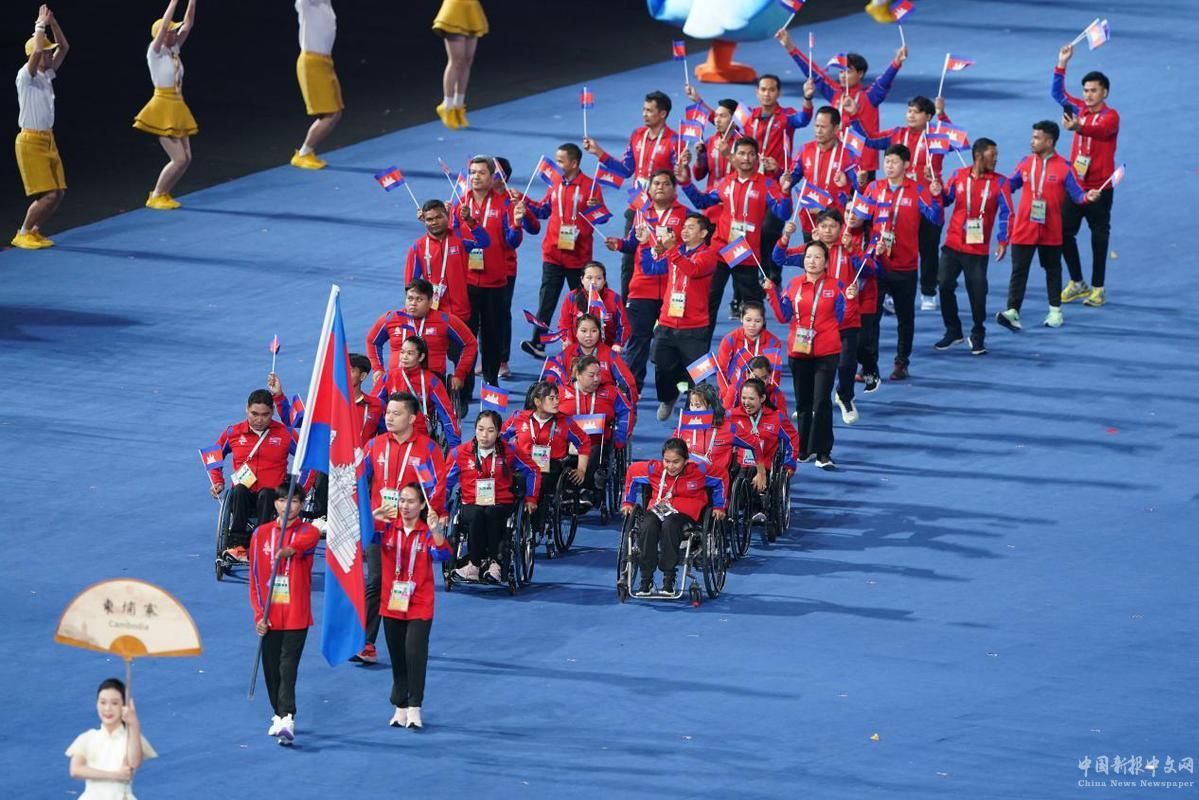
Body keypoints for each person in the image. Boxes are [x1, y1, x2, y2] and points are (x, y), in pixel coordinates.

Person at [356, 392, 448, 664]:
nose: (389, 418)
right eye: (388, 413)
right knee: (376, 580)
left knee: (408, 583)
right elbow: (357, 481)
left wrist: (435, 514)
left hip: (412, 531)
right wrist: (363, 515)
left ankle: (410, 636)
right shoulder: (374, 445)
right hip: (381, 526)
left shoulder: (427, 449)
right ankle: (366, 642)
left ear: (412, 418)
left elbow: (438, 486)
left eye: (397, 413)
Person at [848, 143, 943, 381]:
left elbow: (935, 218)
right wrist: (856, 193)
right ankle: (868, 366)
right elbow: (858, 219)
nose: (889, 166)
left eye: (894, 162)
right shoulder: (874, 188)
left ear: (906, 165)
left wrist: (936, 195)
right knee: (870, 318)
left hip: (905, 265)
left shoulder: (918, 190)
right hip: (876, 264)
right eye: (886, 161)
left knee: (905, 318)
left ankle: (901, 363)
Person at [678, 136, 791, 332]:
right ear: (734, 156)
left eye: (751, 154)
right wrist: (686, 183)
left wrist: (786, 192)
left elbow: (783, 213)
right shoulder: (726, 182)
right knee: (707, 303)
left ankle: (759, 348)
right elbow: (702, 202)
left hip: (746, 253)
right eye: (742, 153)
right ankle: (699, 346)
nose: (746, 158)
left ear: (757, 157)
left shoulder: (767, 185)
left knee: (753, 306)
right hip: (719, 251)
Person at [996, 120, 1099, 332]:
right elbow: (1010, 184)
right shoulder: (1025, 163)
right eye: (1033, 137)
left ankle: (1055, 312)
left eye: (1037, 138)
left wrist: (1088, 197)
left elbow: (1077, 194)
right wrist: (992, 182)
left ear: (1049, 141)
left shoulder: (1065, 167)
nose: (1032, 141)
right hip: (1024, 227)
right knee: (1019, 270)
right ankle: (1013, 311)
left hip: (1051, 228)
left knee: (1052, 270)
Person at [776, 30, 906, 185]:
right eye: (841, 72)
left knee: (862, 200)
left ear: (860, 74)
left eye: (848, 72)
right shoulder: (835, 92)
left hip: (863, 163)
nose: (843, 76)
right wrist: (790, 47)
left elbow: (884, 81)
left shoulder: (870, 95)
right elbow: (815, 73)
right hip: (838, 159)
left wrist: (896, 62)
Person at [765, 240, 853, 468]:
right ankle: (803, 448)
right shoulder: (793, 285)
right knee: (803, 403)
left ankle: (823, 452)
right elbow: (783, 316)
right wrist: (772, 292)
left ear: (826, 262)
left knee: (821, 401)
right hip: (799, 352)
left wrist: (850, 299)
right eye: (808, 257)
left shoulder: (836, 286)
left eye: (817, 257)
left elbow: (842, 317)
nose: (812, 261)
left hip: (827, 351)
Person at [583, 90, 677, 298]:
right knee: (628, 260)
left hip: (662, 211)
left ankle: (664, 306)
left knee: (662, 258)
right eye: (644, 109)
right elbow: (626, 169)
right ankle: (627, 304)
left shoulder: (674, 140)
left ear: (662, 114)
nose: (644, 114)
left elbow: (679, 176)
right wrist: (599, 152)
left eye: (649, 110)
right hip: (636, 209)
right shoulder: (637, 135)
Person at [375, 482, 452, 729]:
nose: (405, 506)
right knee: (397, 655)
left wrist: (436, 529)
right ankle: (400, 706)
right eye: (402, 500)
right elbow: (361, 538)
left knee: (414, 653)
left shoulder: (426, 532)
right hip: (392, 603)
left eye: (410, 501)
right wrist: (373, 517)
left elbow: (443, 555)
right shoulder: (387, 528)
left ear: (421, 506)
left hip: (419, 603)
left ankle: (415, 706)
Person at [249, 484, 320, 746]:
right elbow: (255, 579)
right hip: (270, 614)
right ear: (275, 503)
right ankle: (278, 714)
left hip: (296, 614)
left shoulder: (309, 531)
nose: (287, 506)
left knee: (288, 666)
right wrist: (259, 615)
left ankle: (287, 716)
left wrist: (289, 550)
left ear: (301, 504)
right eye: (281, 500)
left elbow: (303, 544)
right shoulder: (260, 534)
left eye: (294, 501)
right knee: (271, 668)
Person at [603, 169, 688, 391]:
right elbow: (632, 243)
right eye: (656, 183)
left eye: (666, 183)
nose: (660, 187)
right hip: (641, 288)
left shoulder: (685, 215)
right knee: (637, 341)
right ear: (649, 189)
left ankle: (672, 390)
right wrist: (618, 244)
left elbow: (691, 248)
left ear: (674, 189)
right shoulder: (640, 212)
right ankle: (631, 389)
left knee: (672, 342)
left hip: (673, 290)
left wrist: (672, 246)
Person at [779, 208, 866, 423]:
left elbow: (872, 270)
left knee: (846, 364)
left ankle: (845, 397)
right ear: (816, 228)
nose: (828, 230)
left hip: (847, 319)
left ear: (841, 227)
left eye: (832, 226)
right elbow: (779, 258)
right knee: (810, 366)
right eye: (823, 226)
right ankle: (807, 404)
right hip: (814, 322)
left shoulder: (849, 247)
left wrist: (853, 250)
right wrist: (786, 236)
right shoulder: (810, 252)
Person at [519, 143, 603, 358]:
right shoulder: (555, 183)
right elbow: (543, 210)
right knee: (546, 300)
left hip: (578, 257)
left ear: (573, 163)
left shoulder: (590, 186)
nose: (556, 165)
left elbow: (601, 218)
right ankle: (538, 343)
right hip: (553, 253)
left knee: (581, 304)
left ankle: (585, 345)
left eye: (560, 161)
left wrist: (596, 207)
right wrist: (523, 199)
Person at [450, 156, 525, 390]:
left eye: (481, 173)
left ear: (492, 177)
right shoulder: (460, 203)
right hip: (467, 281)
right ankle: (465, 388)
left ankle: (491, 383)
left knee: (492, 336)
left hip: (495, 282)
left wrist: (517, 224)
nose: (475, 177)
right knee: (467, 336)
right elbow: (452, 236)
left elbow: (512, 242)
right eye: (472, 172)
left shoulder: (504, 204)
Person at [1053, 44, 1120, 308]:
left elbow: (1100, 131)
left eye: (1093, 90)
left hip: (1100, 189)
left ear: (1105, 92)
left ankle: (1098, 288)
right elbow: (1057, 93)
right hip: (1076, 188)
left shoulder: (1111, 117)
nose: (1088, 95)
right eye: (1085, 90)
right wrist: (1062, 62)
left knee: (1098, 239)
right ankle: (1078, 282)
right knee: (1062, 233)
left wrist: (1077, 126)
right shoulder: (1079, 107)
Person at [935, 137, 1012, 356]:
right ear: (978, 155)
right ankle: (953, 330)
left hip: (977, 249)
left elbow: (1007, 213)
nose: (996, 159)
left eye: (996, 155)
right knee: (944, 284)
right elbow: (946, 199)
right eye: (992, 155)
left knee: (978, 294)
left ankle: (978, 333)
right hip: (952, 244)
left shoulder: (1000, 183)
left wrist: (1003, 240)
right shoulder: (958, 176)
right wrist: (937, 190)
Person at [621, 438, 725, 595]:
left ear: (686, 460)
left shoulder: (699, 471)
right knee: (647, 524)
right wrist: (628, 502)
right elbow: (632, 472)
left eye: (676, 462)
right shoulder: (654, 469)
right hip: (658, 511)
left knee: (670, 524)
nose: (670, 466)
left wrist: (719, 506)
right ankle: (646, 579)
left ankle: (669, 578)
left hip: (685, 515)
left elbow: (721, 477)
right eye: (667, 461)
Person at [445, 411, 539, 583]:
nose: (484, 435)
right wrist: (441, 510)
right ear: (474, 429)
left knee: (491, 513)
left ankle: (496, 564)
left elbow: (532, 470)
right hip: (471, 502)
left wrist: (531, 498)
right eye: (480, 429)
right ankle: (474, 565)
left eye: (490, 431)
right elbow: (445, 482)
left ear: (498, 433)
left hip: (501, 503)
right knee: (477, 514)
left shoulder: (510, 450)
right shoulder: (460, 453)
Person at [642, 211, 718, 420]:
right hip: (667, 321)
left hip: (695, 326)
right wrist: (645, 246)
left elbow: (692, 270)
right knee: (661, 366)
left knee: (697, 376)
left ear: (703, 233)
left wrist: (671, 251)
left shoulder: (709, 255)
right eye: (683, 227)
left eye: (691, 227)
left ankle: (693, 417)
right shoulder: (675, 252)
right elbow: (651, 268)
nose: (684, 230)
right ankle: (669, 397)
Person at [209, 389, 297, 561]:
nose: (259, 420)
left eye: (265, 415)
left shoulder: (285, 433)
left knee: (267, 493)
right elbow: (213, 456)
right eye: (254, 414)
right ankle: (237, 545)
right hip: (243, 497)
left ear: (272, 412)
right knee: (240, 490)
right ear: (246, 409)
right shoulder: (232, 432)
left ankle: (262, 544)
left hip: (273, 498)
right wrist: (217, 481)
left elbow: (307, 455)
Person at [11, 4, 69, 250]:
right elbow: (36, 51)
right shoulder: (27, 76)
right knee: (49, 194)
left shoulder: (47, 75)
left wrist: (53, 23)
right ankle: (23, 233)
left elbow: (64, 48)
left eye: (48, 53)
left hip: (48, 139)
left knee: (59, 193)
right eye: (46, 53)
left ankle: (35, 231)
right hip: (30, 141)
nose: (48, 55)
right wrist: (40, 24)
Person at [132, 0, 197, 211]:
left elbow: (188, 24)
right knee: (178, 159)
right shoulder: (155, 52)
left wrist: (192, 2)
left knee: (187, 158)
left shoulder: (173, 50)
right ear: (163, 34)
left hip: (178, 105)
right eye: (171, 31)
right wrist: (174, 2)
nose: (175, 33)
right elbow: (163, 30)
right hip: (162, 107)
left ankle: (165, 193)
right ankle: (156, 194)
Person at [502, 381, 591, 527]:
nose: (557, 402)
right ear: (537, 402)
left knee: (538, 482)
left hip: (550, 466)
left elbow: (584, 441)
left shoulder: (565, 421)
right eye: (551, 398)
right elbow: (501, 437)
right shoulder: (519, 417)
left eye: (557, 397)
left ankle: (532, 521)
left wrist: (581, 469)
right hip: (522, 463)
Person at [366, 279, 477, 395]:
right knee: (374, 400)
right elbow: (372, 341)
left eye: (419, 299)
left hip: (432, 385)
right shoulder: (391, 319)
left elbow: (470, 343)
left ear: (430, 301)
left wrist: (460, 374)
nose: (413, 303)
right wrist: (377, 369)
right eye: (410, 298)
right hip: (397, 383)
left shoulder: (445, 321)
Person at [558, 355, 634, 501]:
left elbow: (627, 411)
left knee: (594, 450)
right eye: (591, 375)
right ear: (578, 375)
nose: (596, 379)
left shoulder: (611, 392)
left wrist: (620, 437)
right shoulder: (561, 392)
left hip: (597, 443)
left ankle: (587, 489)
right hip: (567, 441)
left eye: (599, 374)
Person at [66, 678, 156, 799]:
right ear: (96, 704)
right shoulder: (88, 737)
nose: (107, 708)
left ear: (124, 706)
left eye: (114, 703)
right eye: (103, 702)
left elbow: (135, 762)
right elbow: (75, 770)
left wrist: (134, 724)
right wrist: (115, 775)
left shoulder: (131, 737)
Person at [405, 198, 489, 322]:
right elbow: (411, 286)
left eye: (439, 217)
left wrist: (470, 221)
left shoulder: (460, 240)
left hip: (462, 312)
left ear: (448, 216)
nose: (434, 222)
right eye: (429, 219)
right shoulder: (417, 247)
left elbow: (484, 242)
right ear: (424, 221)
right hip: (434, 316)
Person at [782, 103, 859, 236]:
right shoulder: (805, 150)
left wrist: (855, 182)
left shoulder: (847, 154)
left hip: (834, 223)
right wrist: (786, 179)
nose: (818, 131)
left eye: (823, 127)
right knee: (810, 250)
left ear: (836, 128)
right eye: (816, 126)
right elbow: (792, 177)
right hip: (810, 219)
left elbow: (860, 189)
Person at [375, 336, 461, 449]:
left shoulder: (431, 381)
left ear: (421, 357)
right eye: (402, 352)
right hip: (392, 434)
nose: (404, 357)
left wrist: (454, 447)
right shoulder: (389, 376)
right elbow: (373, 405)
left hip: (420, 435)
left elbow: (447, 414)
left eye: (410, 353)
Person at [677, 382, 762, 495]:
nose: (693, 410)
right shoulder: (684, 426)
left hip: (715, 483)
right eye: (691, 405)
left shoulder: (729, 428)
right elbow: (672, 451)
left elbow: (755, 445)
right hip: (688, 478)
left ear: (710, 406)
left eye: (698, 406)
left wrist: (761, 473)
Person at [726, 380, 798, 511]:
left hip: (766, 466)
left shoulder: (776, 418)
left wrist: (790, 463)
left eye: (751, 399)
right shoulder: (732, 416)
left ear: (762, 398)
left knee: (752, 478)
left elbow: (792, 439)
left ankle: (757, 507)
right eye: (743, 398)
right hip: (740, 464)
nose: (746, 402)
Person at [291, 0, 342, 169]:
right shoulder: (308, 4)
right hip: (311, 63)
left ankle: (306, 152)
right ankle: (303, 154)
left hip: (325, 62)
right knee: (330, 114)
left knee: (336, 113)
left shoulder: (326, 5)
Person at [557, 313, 638, 403]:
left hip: (603, 404)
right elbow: (551, 383)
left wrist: (631, 407)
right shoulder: (565, 354)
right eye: (583, 331)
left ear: (600, 332)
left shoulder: (610, 354)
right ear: (576, 333)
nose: (588, 335)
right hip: (571, 404)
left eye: (594, 331)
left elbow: (629, 382)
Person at [432, 0, 486, 128]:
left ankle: (458, 106)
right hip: (455, 11)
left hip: (471, 10)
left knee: (467, 60)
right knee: (456, 60)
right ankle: (447, 106)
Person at [556, 261, 629, 350]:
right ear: (582, 280)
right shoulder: (571, 297)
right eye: (589, 278)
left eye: (599, 278)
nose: (593, 282)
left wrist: (618, 344)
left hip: (607, 349)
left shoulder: (614, 298)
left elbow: (623, 325)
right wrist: (567, 340)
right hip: (578, 350)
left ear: (604, 281)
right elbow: (564, 324)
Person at [715, 300, 784, 389]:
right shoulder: (729, 340)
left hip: (762, 392)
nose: (752, 325)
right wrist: (728, 394)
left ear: (764, 321)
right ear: (741, 318)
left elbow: (774, 376)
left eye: (757, 321)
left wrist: (762, 395)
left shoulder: (773, 343)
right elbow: (721, 371)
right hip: (734, 391)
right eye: (748, 320)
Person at [719, 354, 789, 419]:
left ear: (770, 376)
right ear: (747, 374)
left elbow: (783, 421)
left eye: (764, 378)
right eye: (755, 377)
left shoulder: (777, 393)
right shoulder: (735, 389)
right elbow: (724, 416)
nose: (759, 382)